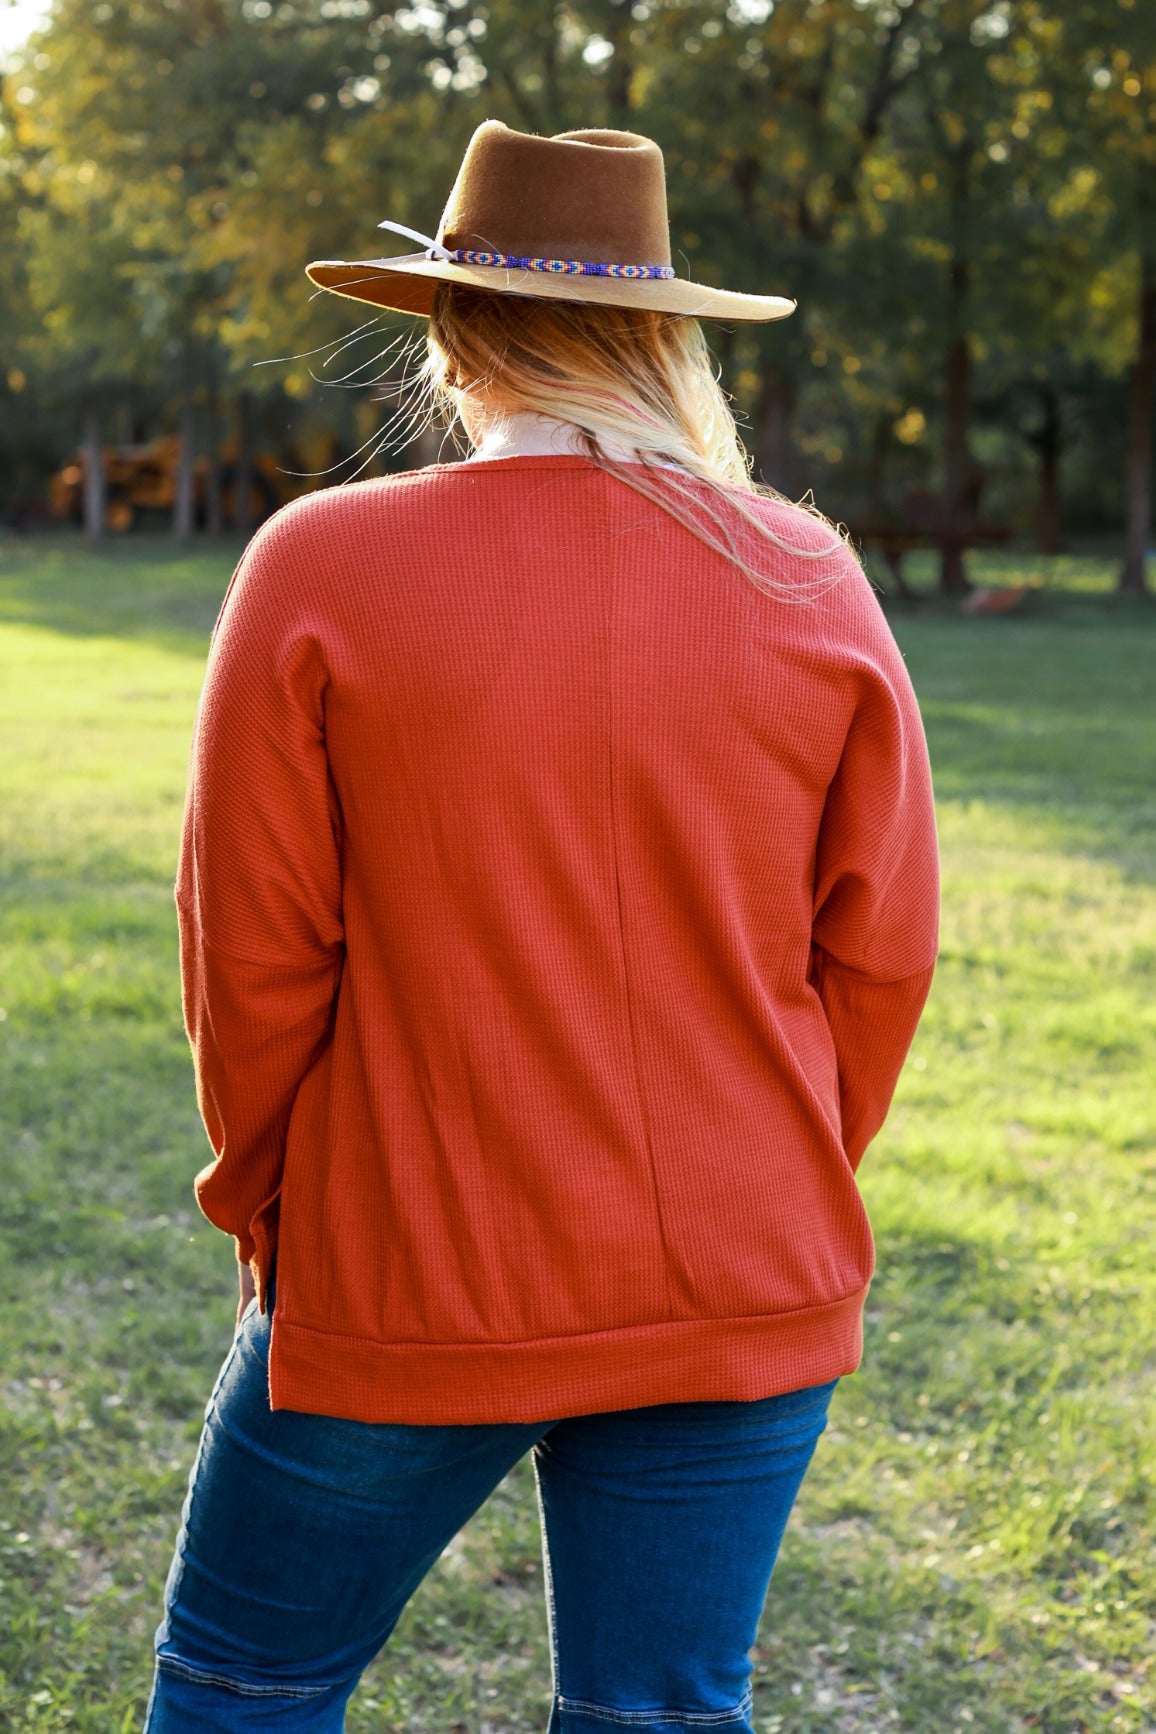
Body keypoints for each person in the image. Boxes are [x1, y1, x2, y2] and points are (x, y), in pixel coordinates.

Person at [146, 120, 939, 1733]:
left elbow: (254, 956)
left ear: (450, 329)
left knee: (244, 1687)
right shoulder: (811, 574)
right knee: (658, 1715)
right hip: (744, 1262)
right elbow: (882, 950)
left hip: (411, 1261)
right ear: (666, 334)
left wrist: (269, 1210)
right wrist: (775, 1167)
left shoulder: (322, 565)